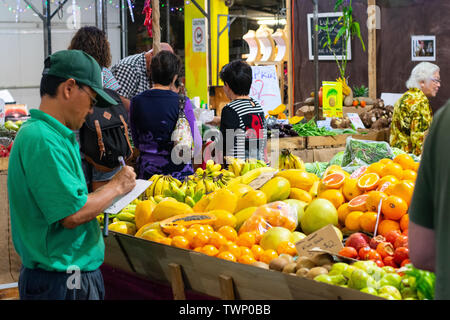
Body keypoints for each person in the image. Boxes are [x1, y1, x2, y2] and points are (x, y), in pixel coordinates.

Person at [7, 50, 136, 300]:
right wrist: (117, 186)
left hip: (65, 277)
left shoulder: (53, 135)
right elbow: (72, 214)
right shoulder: (43, 139)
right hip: (63, 279)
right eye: (91, 99)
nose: (91, 111)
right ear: (69, 88)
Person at [68, 26, 123, 191]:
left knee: (81, 192)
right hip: (103, 142)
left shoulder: (70, 73)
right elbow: (115, 98)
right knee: (105, 198)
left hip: (78, 144)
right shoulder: (104, 73)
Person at [129, 50, 200, 180]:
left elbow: (136, 141)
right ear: (174, 77)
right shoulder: (183, 102)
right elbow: (197, 143)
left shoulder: (136, 101)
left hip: (148, 176)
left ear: (151, 73)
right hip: (179, 177)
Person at [408, 99, 450, 300]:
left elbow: (423, 253)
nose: (438, 84)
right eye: (435, 79)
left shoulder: (443, 118)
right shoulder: (420, 104)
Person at [219, 60, 267, 162]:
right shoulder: (257, 106)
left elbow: (226, 147)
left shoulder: (230, 109)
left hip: (241, 172)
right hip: (261, 168)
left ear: (227, 86)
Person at [389, 62, 440, 156]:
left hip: (397, 156)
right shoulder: (420, 101)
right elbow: (420, 141)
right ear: (422, 82)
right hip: (410, 161)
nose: (438, 85)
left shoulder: (406, 97)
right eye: (436, 81)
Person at [111, 42, 174, 110]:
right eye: (162, 63)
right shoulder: (130, 67)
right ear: (152, 55)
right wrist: (143, 111)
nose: (161, 67)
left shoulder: (152, 68)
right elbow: (117, 98)